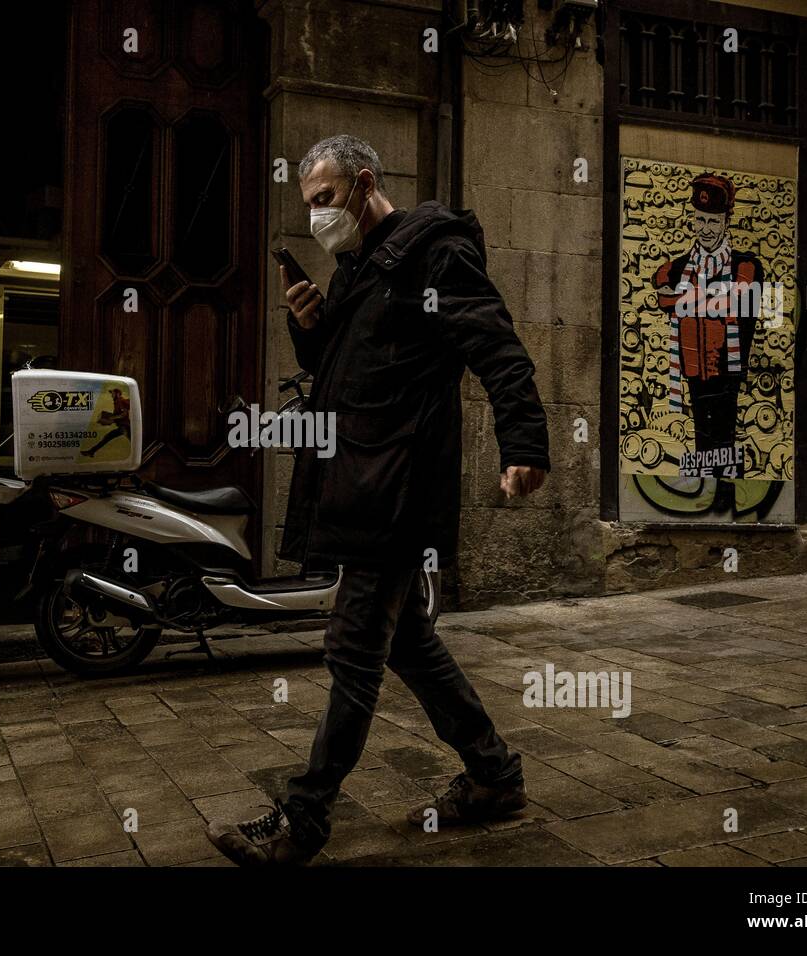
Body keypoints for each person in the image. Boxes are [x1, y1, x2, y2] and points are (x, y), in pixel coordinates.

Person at [206, 135, 551, 865]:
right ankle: (494, 775)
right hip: (362, 481)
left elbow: (497, 346)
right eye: (309, 206)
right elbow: (352, 372)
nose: (317, 218)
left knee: (354, 646)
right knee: (407, 644)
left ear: (365, 184)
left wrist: (524, 444)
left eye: (326, 200)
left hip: (399, 487)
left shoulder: (432, 251)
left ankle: (303, 820)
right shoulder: (359, 268)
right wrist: (311, 330)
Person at [652, 172, 763, 468]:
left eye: (713, 221)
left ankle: (724, 494)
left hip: (728, 370)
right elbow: (664, 297)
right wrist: (711, 299)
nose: (706, 229)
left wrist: (687, 301)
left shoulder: (745, 265)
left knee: (725, 440)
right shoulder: (675, 269)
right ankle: (704, 493)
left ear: (727, 222)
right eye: (700, 220)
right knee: (702, 440)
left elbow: (737, 302)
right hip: (693, 369)